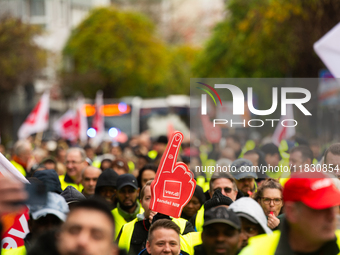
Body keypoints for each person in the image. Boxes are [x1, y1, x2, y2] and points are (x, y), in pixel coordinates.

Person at [239, 172, 340, 254]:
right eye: (319, 208)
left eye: (333, 207)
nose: (331, 216)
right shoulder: (256, 252)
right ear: (292, 212)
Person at [117, 181, 194, 255]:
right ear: (141, 203)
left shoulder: (184, 225)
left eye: (158, 197)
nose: (154, 202)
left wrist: (161, 223)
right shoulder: (126, 228)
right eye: (148, 198)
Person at [111, 174, 144, 239]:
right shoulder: (109, 217)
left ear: (138, 192)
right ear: (116, 193)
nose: (127, 195)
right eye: (122, 191)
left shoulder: (146, 215)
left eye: (131, 191)